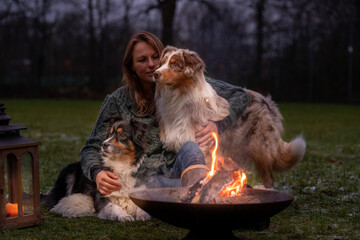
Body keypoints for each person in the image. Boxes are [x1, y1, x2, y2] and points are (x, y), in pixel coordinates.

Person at [80, 31, 250, 195]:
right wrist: (97, 173)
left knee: (191, 147)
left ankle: (205, 193)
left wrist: (218, 125)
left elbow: (240, 96)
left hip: (179, 167)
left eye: (156, 58)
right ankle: (216, 192)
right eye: (142, 60)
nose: (152, 65)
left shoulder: (181, 81)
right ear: (131, 67)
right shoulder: (117, 100)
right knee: (189, 185)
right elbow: (92, 147)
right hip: (143, 178)